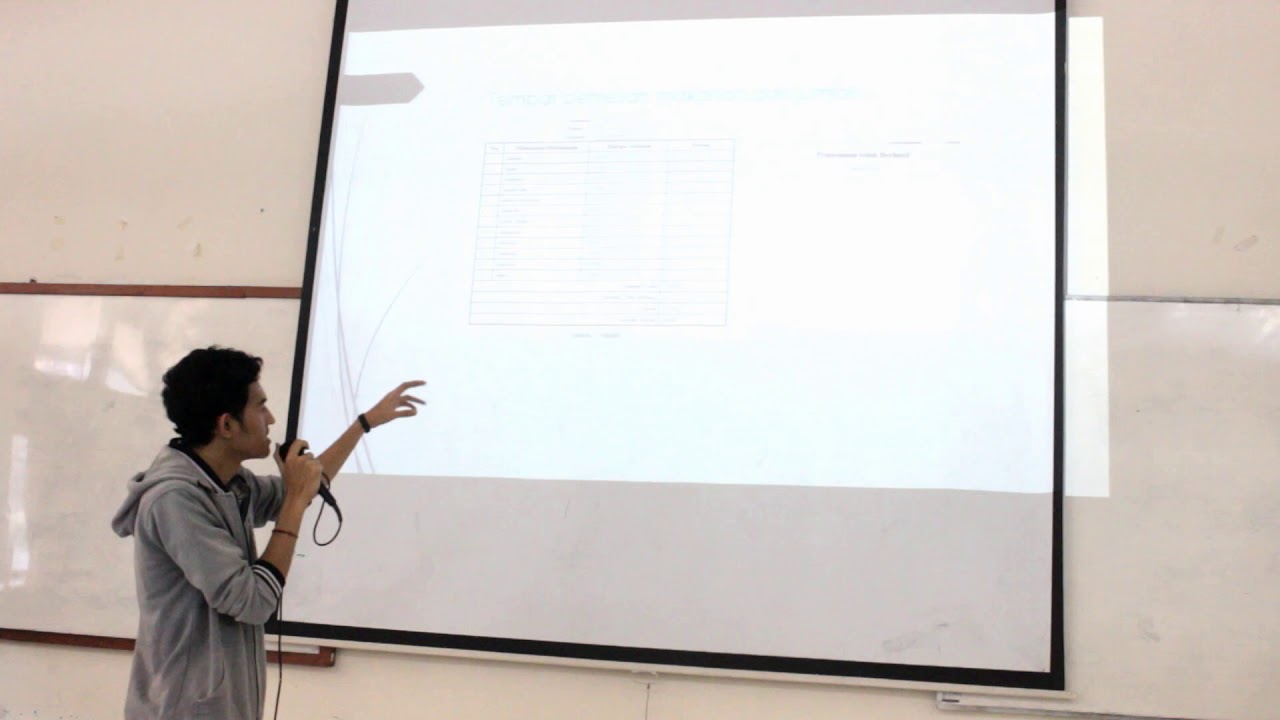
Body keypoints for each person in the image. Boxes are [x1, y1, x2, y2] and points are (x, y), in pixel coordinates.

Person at [110, 346, 424, 719]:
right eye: (260, 407)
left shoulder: (229, 482)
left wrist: (363, 424)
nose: (271, 418)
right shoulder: (175, 500)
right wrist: (294, 501)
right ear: (227, 426)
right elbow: (253, 601)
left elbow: (305, 488)